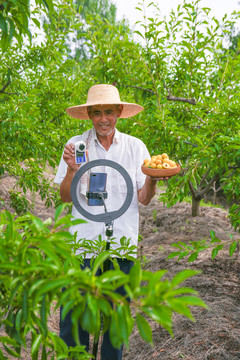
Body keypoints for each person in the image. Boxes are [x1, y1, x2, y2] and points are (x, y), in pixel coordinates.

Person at [54, 84, 164, 360]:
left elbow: (144, 198)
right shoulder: (75, 145)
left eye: (110, 112)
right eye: (98, 112)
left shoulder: (135, 147)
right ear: (90, 114)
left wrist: (151, 178)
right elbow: (66, 197)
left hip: (121, 246)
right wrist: (72, 171)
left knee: (115, 324)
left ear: (119, 113)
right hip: (84, 245)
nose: (104, 119)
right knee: (73, 318)